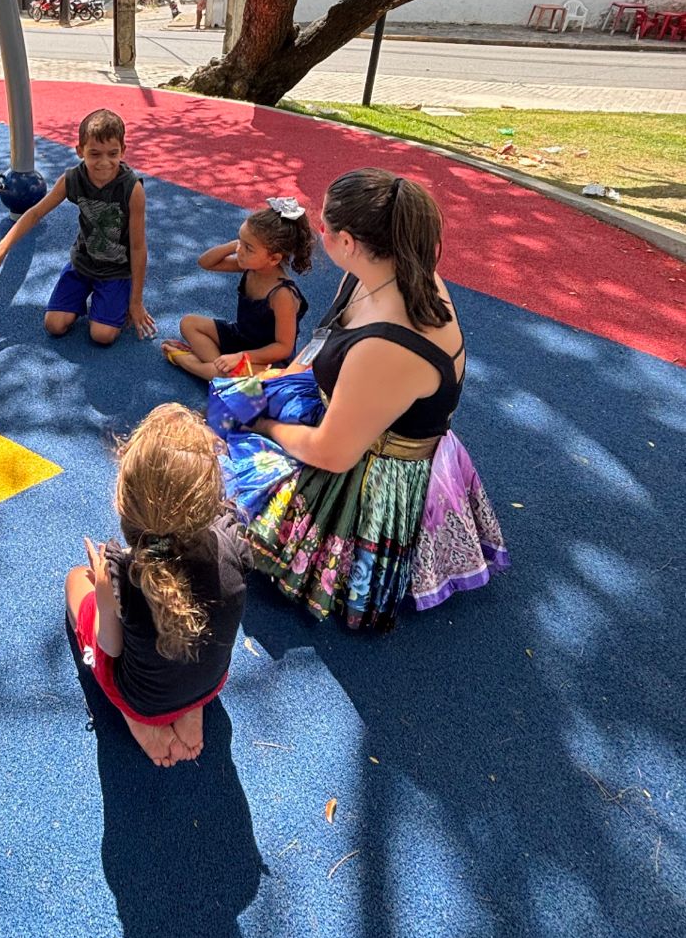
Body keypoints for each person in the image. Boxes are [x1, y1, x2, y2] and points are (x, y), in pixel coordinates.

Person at [224, 168, 508, 633]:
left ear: (350, 241)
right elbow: (324, 340)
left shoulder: (388, 344)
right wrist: (278, 382)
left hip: (371, 463)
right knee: (226, 408)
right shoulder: (381, 269)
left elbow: (333, 453)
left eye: (326, 228)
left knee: (232, 462)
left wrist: (261, 422)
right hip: (344, 405)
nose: (320, 233)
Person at [65, 404, 251, 767]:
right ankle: (193, 707)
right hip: (210, 683)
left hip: (142, 699)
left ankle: (140, 721)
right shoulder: (234, 545)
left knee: (75, 581)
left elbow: (110, 648)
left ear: (124, 503)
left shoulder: (121, 574)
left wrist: (102, 580)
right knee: (188, 656)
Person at [0, 107, 155, 345]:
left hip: (116, 270)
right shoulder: (72, 179)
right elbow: (35, 213)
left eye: (112, 154)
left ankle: (114, 300)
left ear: (123, 151)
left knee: (102, 336)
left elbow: (138, 248)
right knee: (54, 325)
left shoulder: (132, 189)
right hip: (83, 264)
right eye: (94, 154)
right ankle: (87, 297)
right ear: (80, 151)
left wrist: (136, 302)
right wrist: (3, 246)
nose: (104, 162)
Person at [161, 197, 312, 381]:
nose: (240, 251)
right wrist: (237, 244)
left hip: (266, 360)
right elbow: (205, 262)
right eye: (241, 242)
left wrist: (243, 357)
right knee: (189, 323)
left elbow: (283, 347)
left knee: (243, 373)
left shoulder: (282, 294)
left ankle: (190, 364)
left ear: (273, 259)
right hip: (240, 338)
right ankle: (220, 373)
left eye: (248, 248)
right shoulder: (250, 265)